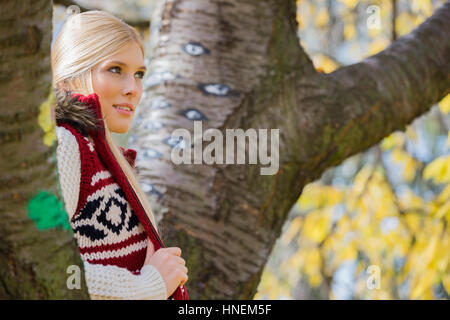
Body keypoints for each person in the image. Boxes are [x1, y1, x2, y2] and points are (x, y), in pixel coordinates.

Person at [51, 10, 189, 300]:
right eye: (116, 69)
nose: (133, 89)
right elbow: (46, 269)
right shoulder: (67, 145)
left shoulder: (101, 154)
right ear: (72, 73)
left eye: (139, 74)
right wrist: (148, 285)